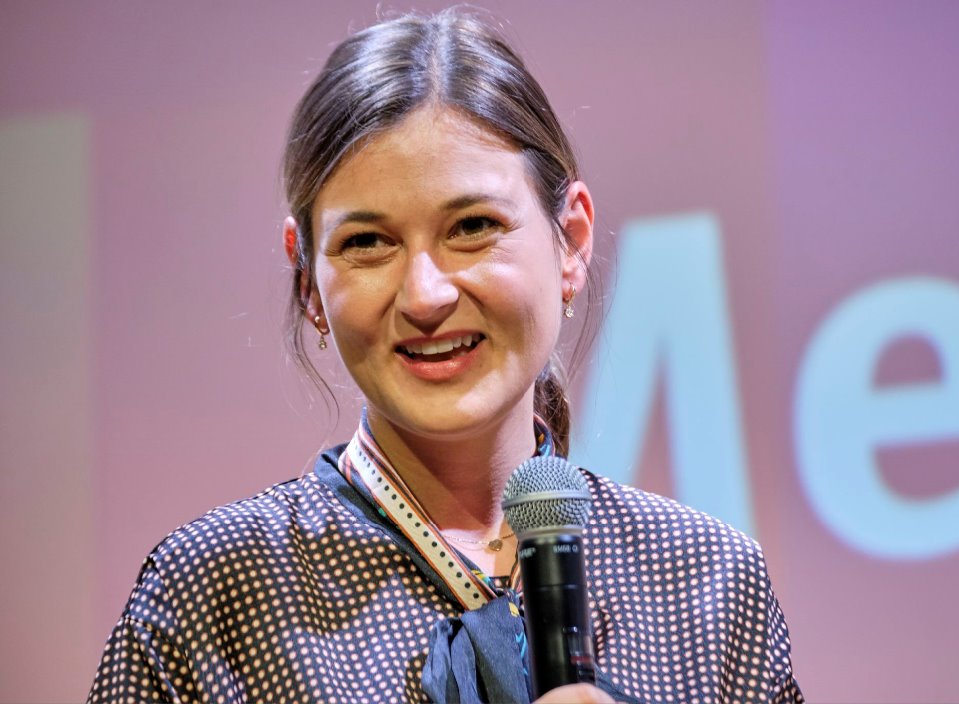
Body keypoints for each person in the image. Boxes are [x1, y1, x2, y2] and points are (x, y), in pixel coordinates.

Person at [88, 8, 802, 704]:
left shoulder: (706, 584)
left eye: (473, 226)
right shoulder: (212, 596)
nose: (425, 295)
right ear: (308, 282)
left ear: (572, 242)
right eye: (368, 243)